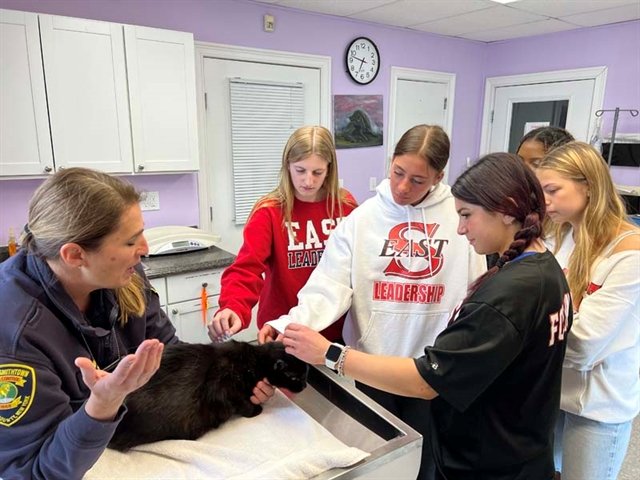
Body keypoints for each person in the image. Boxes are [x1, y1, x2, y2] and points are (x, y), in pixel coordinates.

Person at [279, 152, 572, 480]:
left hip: (490, 466)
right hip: (524, 450)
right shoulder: (547, 269)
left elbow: (425, 381)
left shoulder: (507, 297)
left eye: (466, 215)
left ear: (504, 210)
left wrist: (330, 353)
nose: (460, 229)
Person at [0, 168, 275, 480]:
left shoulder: (124, 276)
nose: (144, 248)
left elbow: (173, 358)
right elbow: (33, 473)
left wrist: (237, 382)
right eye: (131, 242)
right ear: (75, 255)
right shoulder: (14, 334)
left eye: (142, 233)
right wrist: (101, 407)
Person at [259, 124, 487, 480]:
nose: (402, 187)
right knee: (380, 465)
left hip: (433, 372)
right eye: (398, 173)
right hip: (370, 367)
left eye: (417, 180)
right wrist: (288, 322)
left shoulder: (459, 221)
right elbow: (328, 286)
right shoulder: (361, 219)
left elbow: (475, 293)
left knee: (428, 465)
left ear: (439, 177)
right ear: (390, 162)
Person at [535, 141, 640, 480]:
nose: (544, 201)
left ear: (589, 186)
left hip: (598, 406)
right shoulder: (562, 235)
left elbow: (582, 346)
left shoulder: (630, 254)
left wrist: (525, 331)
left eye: (553, 190)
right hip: (555, 392)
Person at [207, 126, 358, 344]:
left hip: (335, 332)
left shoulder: (346, 207)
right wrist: (233, 306)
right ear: (287, 165)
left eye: (317, 172)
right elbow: (246, 269)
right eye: (300, 170)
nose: (308, 181)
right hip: (281, 331)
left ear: (329, 169)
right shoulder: (269, 211)